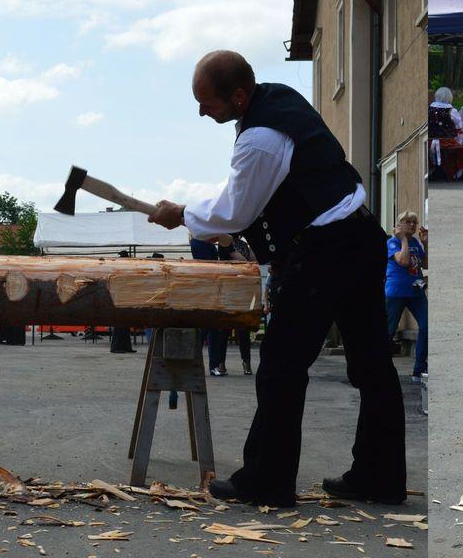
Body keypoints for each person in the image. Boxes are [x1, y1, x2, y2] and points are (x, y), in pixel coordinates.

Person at [146, 51, 406, 507]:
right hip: (359, 239)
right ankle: (379, 477)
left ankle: (266, 481)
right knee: (372, 365)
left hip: (326, 250)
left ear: (239, 96)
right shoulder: (280, 100)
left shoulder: (260, 137)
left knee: (281, 367)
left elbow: (235, 212)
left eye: (207, 102)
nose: (202, 111)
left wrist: (182, 214)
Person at [192, 236, 254, 375]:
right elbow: (242, 258)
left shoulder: (222, 243)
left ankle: (218, 364)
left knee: (219, 330)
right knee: (218, 330)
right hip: (224, 290)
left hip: (225, 289)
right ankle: (219, 364)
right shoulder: (223, 243)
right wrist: (247, 263)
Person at [385, 212, 428, 382]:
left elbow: (425, 264)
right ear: (399, 224)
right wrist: (402, 239)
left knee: (426, 326)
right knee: (388, 331)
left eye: (414, 222)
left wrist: (425, 243)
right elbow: (403, 261)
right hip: (396, 292)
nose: (411, 225)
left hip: (416, 291)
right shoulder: (392, 242)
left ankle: (419, 369)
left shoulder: (416, 242)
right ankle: (381, 368)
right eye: (407, 222)